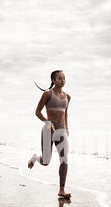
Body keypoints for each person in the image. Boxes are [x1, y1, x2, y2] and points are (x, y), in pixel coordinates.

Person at [27, 70, 71, 199]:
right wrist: (47, 122)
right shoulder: (47, 94)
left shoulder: (68, 97)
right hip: (48, 129)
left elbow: (65, 113)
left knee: (64, 159)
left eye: (64, 78)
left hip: (61, 130)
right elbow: (37, 112)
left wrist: (67, 128)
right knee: (46, 162)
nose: (62, 80)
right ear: (53, 80)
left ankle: (61, 190)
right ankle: (35, 157)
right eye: (59, 78)